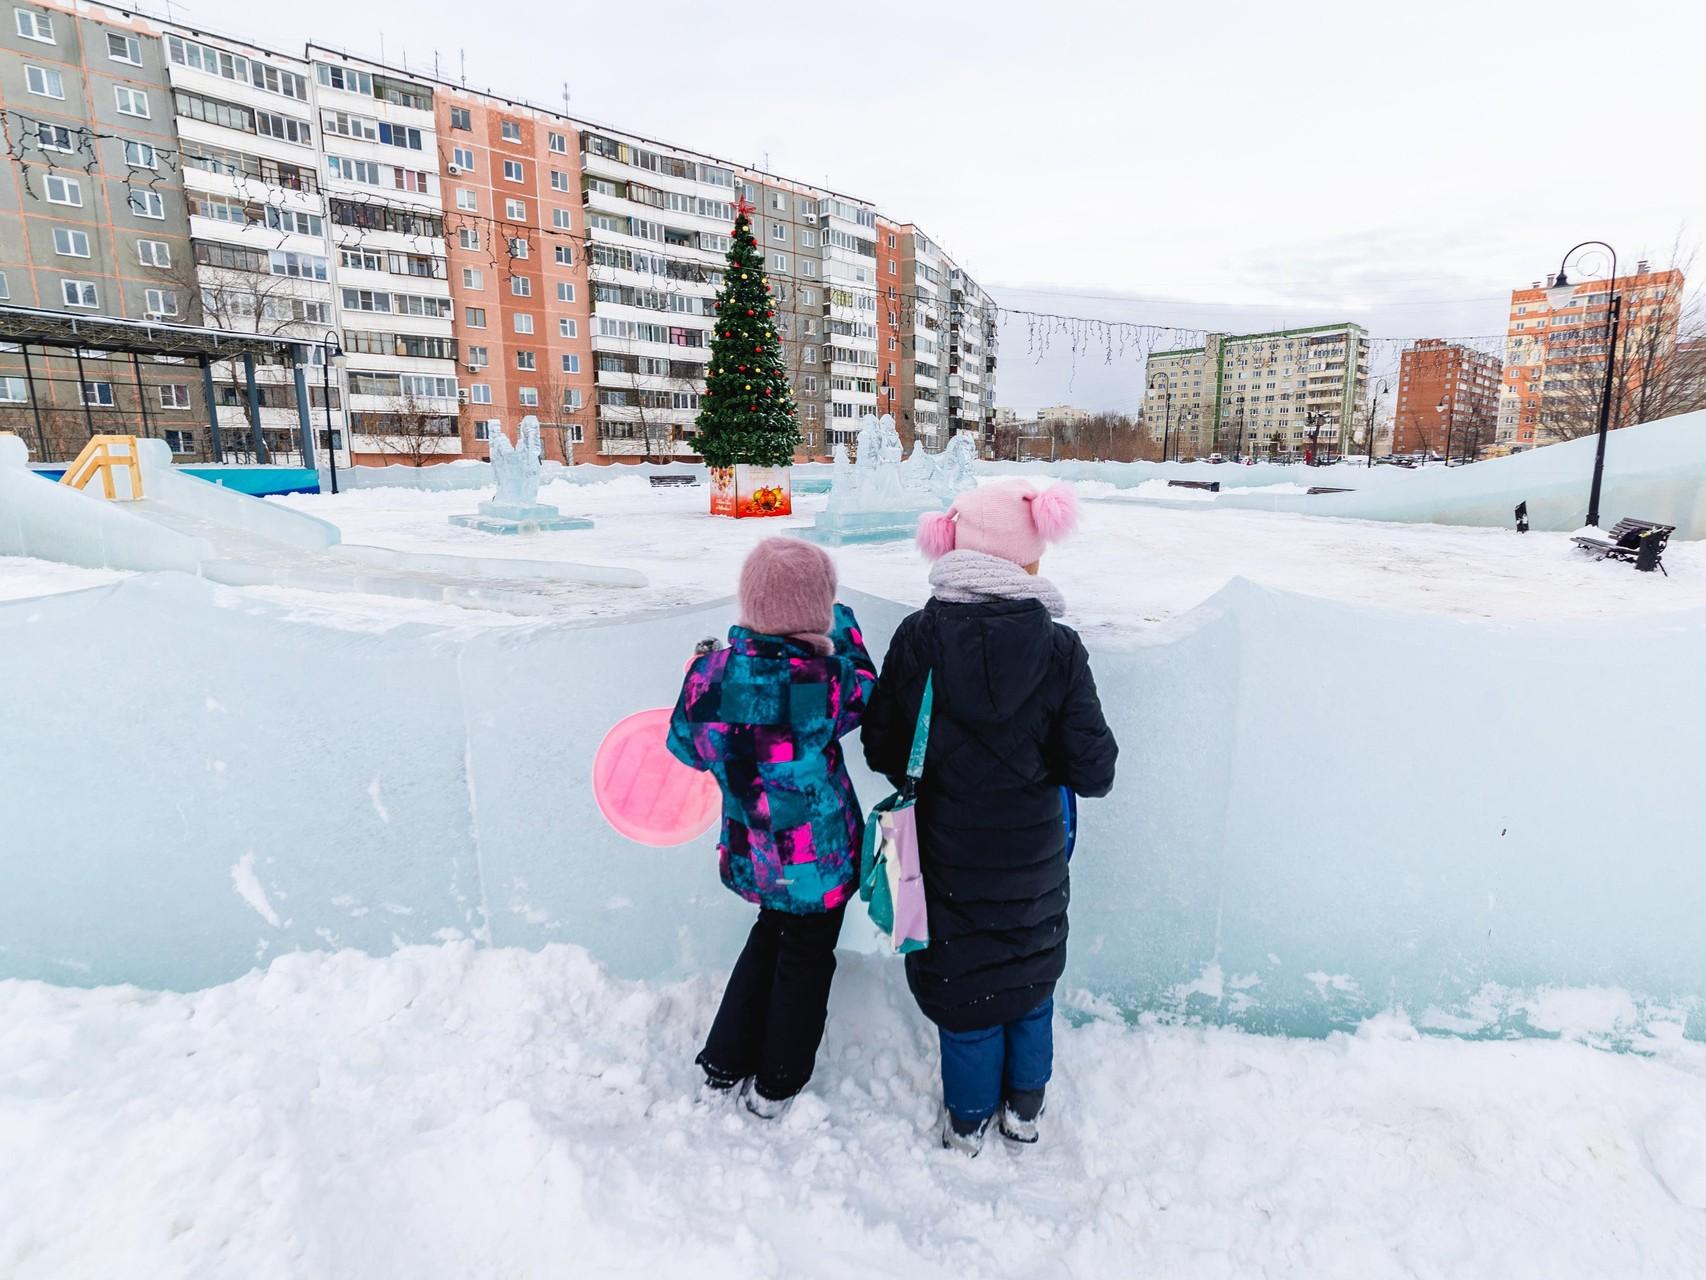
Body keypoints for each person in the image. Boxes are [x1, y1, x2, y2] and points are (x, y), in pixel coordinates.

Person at [862, 481, 1117, 1155]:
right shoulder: (1060, 649)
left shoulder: (920, 637)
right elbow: (1095, 770)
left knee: (965, 993)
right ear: (1032, 553)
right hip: (1032, 859)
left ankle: (969, 1121)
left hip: (940, 860)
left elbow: (883, 747)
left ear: (957, 544)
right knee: (1030, 984)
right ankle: (1025, 1113)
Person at [668, 538, 875, 1119]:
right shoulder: (821, 683)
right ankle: (777, 1083)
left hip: (752, 852)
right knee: (806, 956)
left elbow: (683, 744)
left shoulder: (709, 679)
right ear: (817, 611)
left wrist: (705, 674)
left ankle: (724, 1063)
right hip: (817, 860)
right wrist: (844, 623)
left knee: (767, 935)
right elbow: (866, 685)